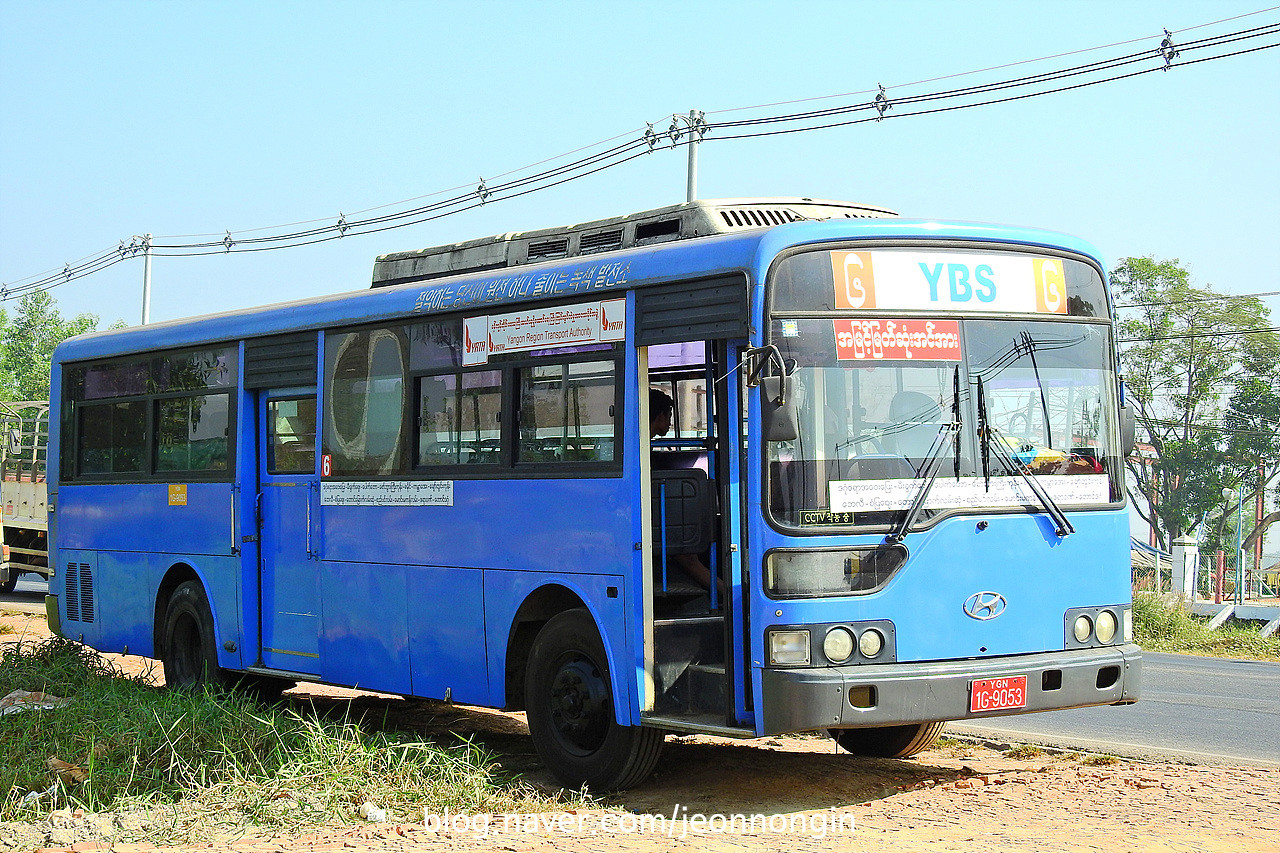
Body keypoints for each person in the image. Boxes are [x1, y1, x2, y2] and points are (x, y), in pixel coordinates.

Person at [649, 389, 718, 593]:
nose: (669, 423)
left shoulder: (642, 443)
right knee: (687, 555)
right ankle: (725, 594)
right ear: (660, 416)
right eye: (669, 417)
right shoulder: (639, 444)